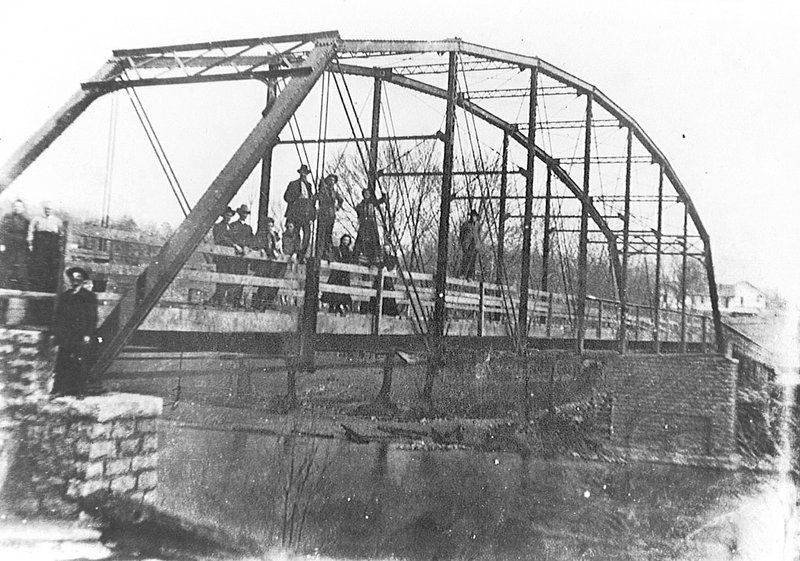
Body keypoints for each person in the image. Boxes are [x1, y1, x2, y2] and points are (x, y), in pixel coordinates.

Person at [51, 267, 98, 397]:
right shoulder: (64, 297)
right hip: (66, 335)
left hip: (80, 335)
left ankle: (80, 391)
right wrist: (58, 334)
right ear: (70, 281)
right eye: (73, 279)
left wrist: (88, 334)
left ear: (83, 281)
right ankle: (59, 390)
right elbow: (58, 317)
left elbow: (92, 318)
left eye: (78, 279)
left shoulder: (89, 297)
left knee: (80, 362)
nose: (75, 281)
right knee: (62, 362)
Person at [251, 217, 285, 310]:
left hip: (272, 263)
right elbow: (257, 244)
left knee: (271, 283)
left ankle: (267, 303)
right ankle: (257, 303)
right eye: (268, 225)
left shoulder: (275, 235)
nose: (270, 227)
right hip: (263, 263)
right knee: (262, 283)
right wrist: (262, 248)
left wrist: (278, 251)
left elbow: (279, 246)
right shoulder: (262, 234)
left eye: (271, 225)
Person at [28, 202, 63, 293]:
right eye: (47, 209)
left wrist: (60, 246)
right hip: (40, 244)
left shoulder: (57, 221)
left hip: (52, 244)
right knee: (39, 264)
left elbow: (62, 234)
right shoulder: (37, 219)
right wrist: (30, 244)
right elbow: (31, 231)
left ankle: (49, 288)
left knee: (51, 264)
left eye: (50, 209)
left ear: (53, 210)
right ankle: (37, 287)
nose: (48, 211)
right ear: (44, 209)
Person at [283, 164, 315, 263]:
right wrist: (297, 197)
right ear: (300, 172)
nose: (304, 174)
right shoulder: (293, 184)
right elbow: (286, 197)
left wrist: (311, 216)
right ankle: (295, 252)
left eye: (305, 173)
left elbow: (311, 202)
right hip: (296, 213)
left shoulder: (309, 186)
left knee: (307, 234)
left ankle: (302, 254)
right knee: (295, 233)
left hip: (305, 214)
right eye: (302, 172)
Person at [209, 207, 238, 306]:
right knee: (221, 277)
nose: (229, 217)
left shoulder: (231, 227)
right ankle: (219, 300)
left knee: (228, 279)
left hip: (230, 258)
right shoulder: (218, 226)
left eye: (230, 215)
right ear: (223, 215)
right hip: (221, 257)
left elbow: (235, 239)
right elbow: (220, 238)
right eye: (227, 215)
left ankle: (218, 299)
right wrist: (233, 244)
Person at [0, 200, 30, 290]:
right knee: (6, 267)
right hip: (9, 245)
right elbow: (2, 231)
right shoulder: (7, 218)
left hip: (21, 247)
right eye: (15, 206)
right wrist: (2, 243)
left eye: (19, 206)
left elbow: (28, 234)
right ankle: (4, 288)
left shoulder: (26, 220)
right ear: (13, 207)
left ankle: (24, 291)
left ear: (23, 208)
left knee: (22, 267)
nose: (17, 208)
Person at [321, 234, 354, 315]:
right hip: (337, 273)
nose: (346, 242)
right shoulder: (337, 249)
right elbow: (332, 256)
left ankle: (340, 308)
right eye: (344, 240)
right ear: (341, 240)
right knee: (333, 291)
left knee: (343, 292)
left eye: (347, 240)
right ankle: (332, 307)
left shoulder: (349, 252)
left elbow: (351, 260)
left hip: (345, 274)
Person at [229, 204, 254, 307]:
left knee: (242, 279)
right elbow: (231, 238)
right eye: (244, 212)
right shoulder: (233, 225)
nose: (245, 215)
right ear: (239, 213)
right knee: (234, 278)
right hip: (235, 257)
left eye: (247, 213)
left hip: (244, 258)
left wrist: (249, 247)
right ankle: (231, 301)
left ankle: (237, 301)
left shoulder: (248, 228)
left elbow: (252, 241)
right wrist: (238, 245)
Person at [354, 188, 386, 265]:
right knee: (361, 238)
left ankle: (375, 257)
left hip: (372, 224)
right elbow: (358, 211)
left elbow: (382, 200)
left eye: (368, 193)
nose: (367, 195)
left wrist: (384, 194)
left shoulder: (372, 203)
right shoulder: (361, 205)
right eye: (365, 194)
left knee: (374, 239)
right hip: (364, 224)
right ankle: (357, 256)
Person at [317, 173, 344, 258]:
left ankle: (327, 253)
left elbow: (341, 200)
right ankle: (319, 253)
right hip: (323, 214)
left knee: (328, 234)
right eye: (330, 180)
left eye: (333, 180)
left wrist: (337, 207)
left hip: (331, 215)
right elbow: (318, 196)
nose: (331, 182)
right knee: (321, 234)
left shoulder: (335, 192)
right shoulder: (323, 190)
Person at [458, 209, 481, 281]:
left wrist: (478, 244)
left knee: (473, 261)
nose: (473, 218)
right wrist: (462, 243)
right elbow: (461, 233)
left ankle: (470, 276)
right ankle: (463, 274)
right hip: (467, 244)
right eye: (472, 216)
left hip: (475, 245)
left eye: (475, 216)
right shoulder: (466, 224)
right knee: (466, 259)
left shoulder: (478, 225)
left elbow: (478, 234)